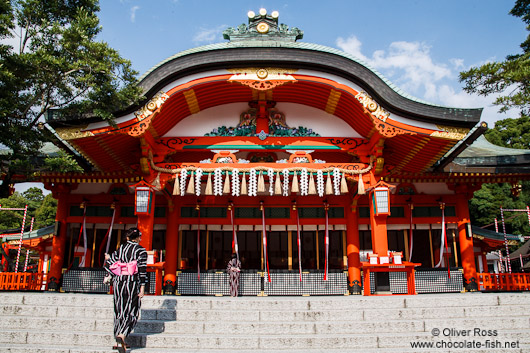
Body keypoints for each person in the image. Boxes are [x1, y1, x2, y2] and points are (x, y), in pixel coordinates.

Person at [104, 227, 147, 353]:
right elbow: (142, 269)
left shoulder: (121, 248)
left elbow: (110, 263)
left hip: (118, 281)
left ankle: (117, 340)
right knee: (132, 308)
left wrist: (109, 270)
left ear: (127, 238)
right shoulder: (140, 250)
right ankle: (122, 335)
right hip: (132, 281)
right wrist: (142, 286)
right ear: (138, 238)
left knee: (119, 308)